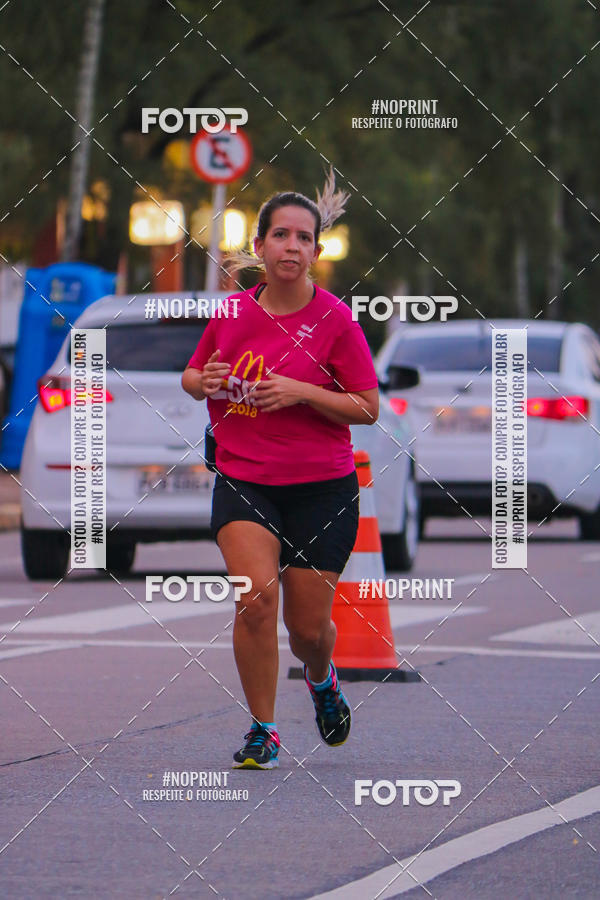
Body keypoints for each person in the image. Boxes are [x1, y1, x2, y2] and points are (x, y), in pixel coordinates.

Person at [182, 171, 379, 769]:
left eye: (303, 238)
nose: (291, 246)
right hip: (244, 478)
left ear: (316, 251)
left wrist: (301, 391)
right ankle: (263, 730)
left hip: (322, 489)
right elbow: (193, 376)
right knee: (255, 601)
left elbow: (368, 408)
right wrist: (205, 382)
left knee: (307, 628)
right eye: (280, 236)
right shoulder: (233, 311)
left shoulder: (337, 322)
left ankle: (322, 680)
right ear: (261, 246)